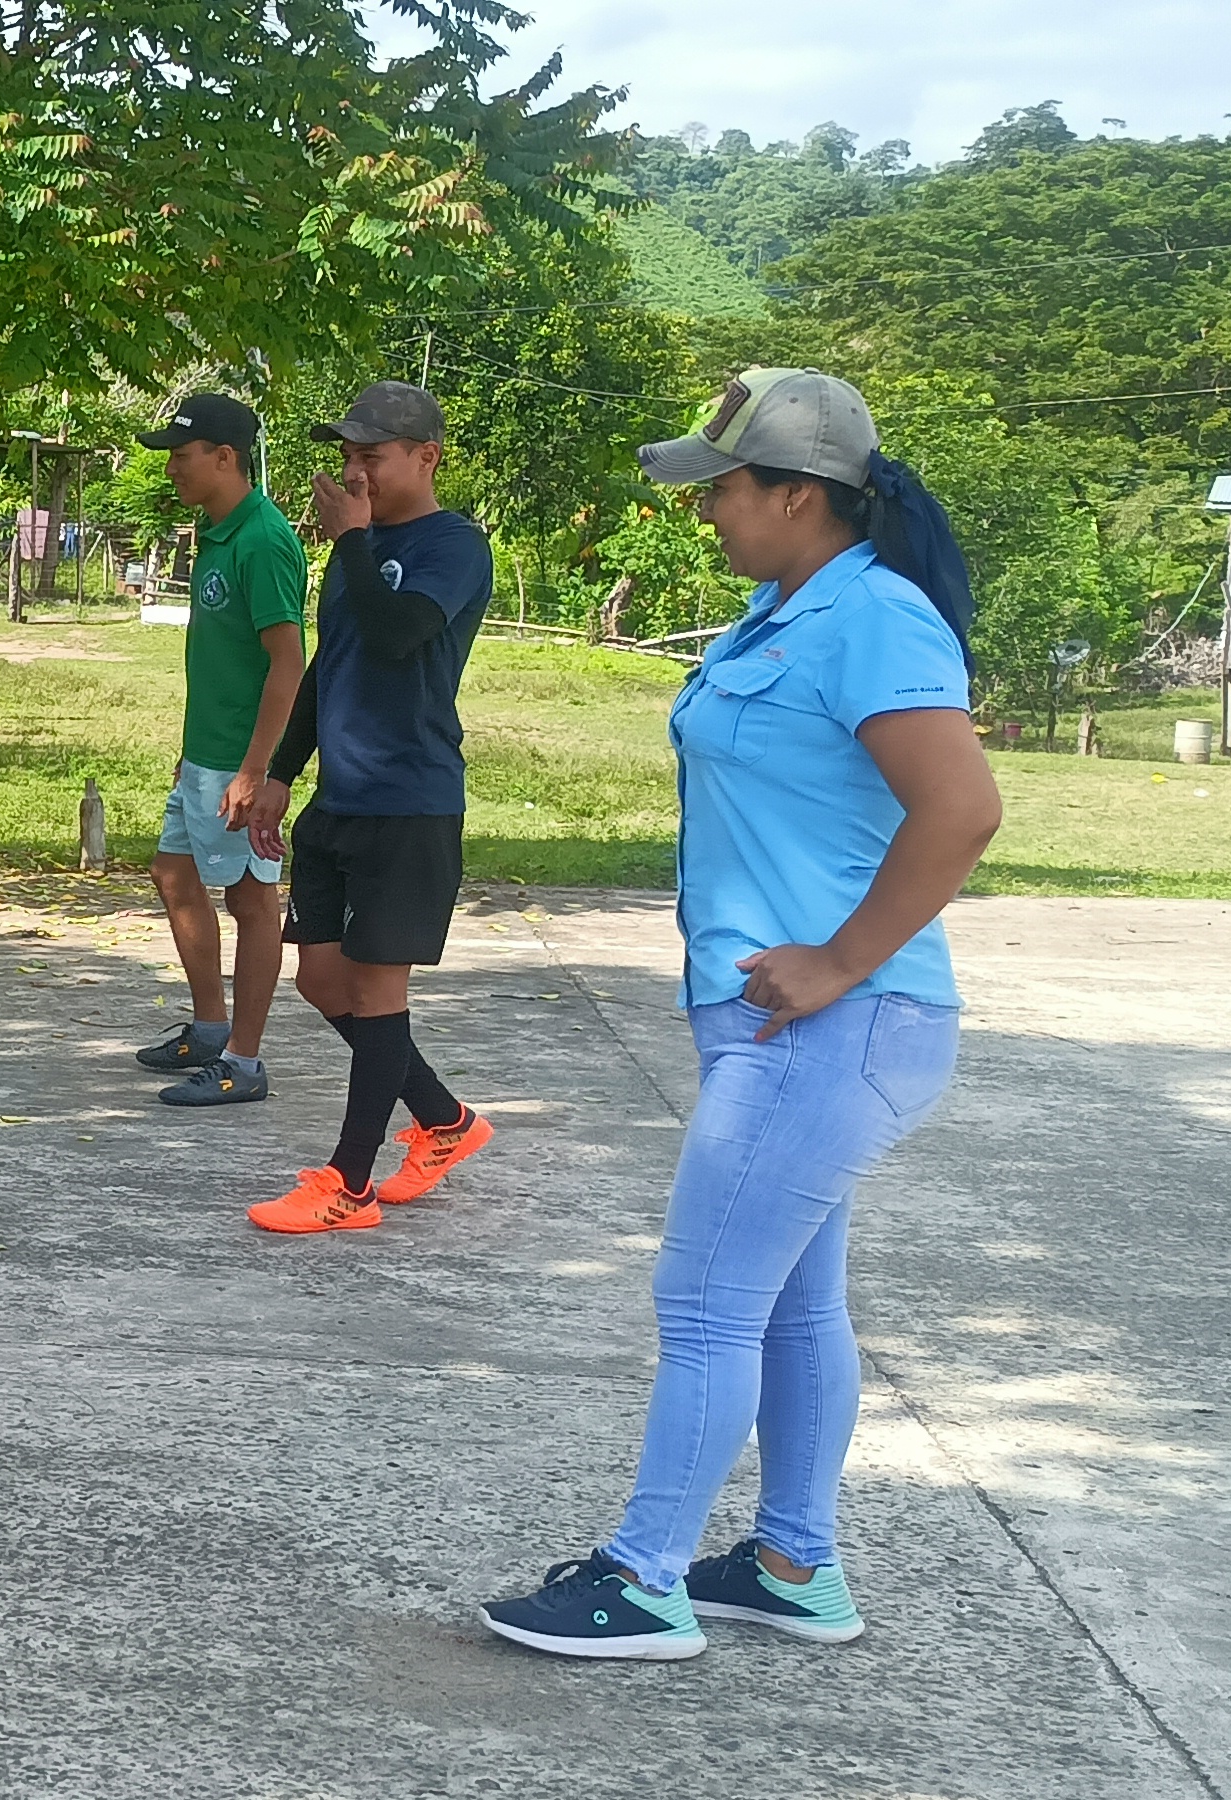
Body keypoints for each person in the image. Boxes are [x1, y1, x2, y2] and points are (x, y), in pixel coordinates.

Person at [481, 369, 998, 1660]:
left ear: (800, 496)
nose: (705, 507)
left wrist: (838, 960)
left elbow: (962, 809)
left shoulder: (871, 618)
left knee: (707, 1298)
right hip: (774, 1021)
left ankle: (641, 1579)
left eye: (724, 486)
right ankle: (790, 1565)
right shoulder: (785, 610)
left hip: (832, 1024)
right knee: (791, 1303)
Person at [238, 381, 500, 1233]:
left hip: (409, 802)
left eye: (373, 457)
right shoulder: (357, 549)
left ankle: (348, 1187)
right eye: (348, 457)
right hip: (340, 799)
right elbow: (335, 662)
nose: (355, 472)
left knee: (379, 993)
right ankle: (446, 1121)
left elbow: (395, 637)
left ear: (426, 457)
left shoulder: (453, 546)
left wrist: (351, 541)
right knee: (321, 980)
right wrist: (282, 771)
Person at [127, 394, 306, 1108]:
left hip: (239, 760)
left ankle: (244, 1061)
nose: (171, 469)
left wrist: (256, 770)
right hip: (206, 755)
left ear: (225, 457)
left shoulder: (262, 541)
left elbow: (288, 663)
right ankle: (209, 1028)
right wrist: (194, 752)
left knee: (252, 899)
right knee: (173, 874)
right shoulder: (216, 532)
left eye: (181, 455)